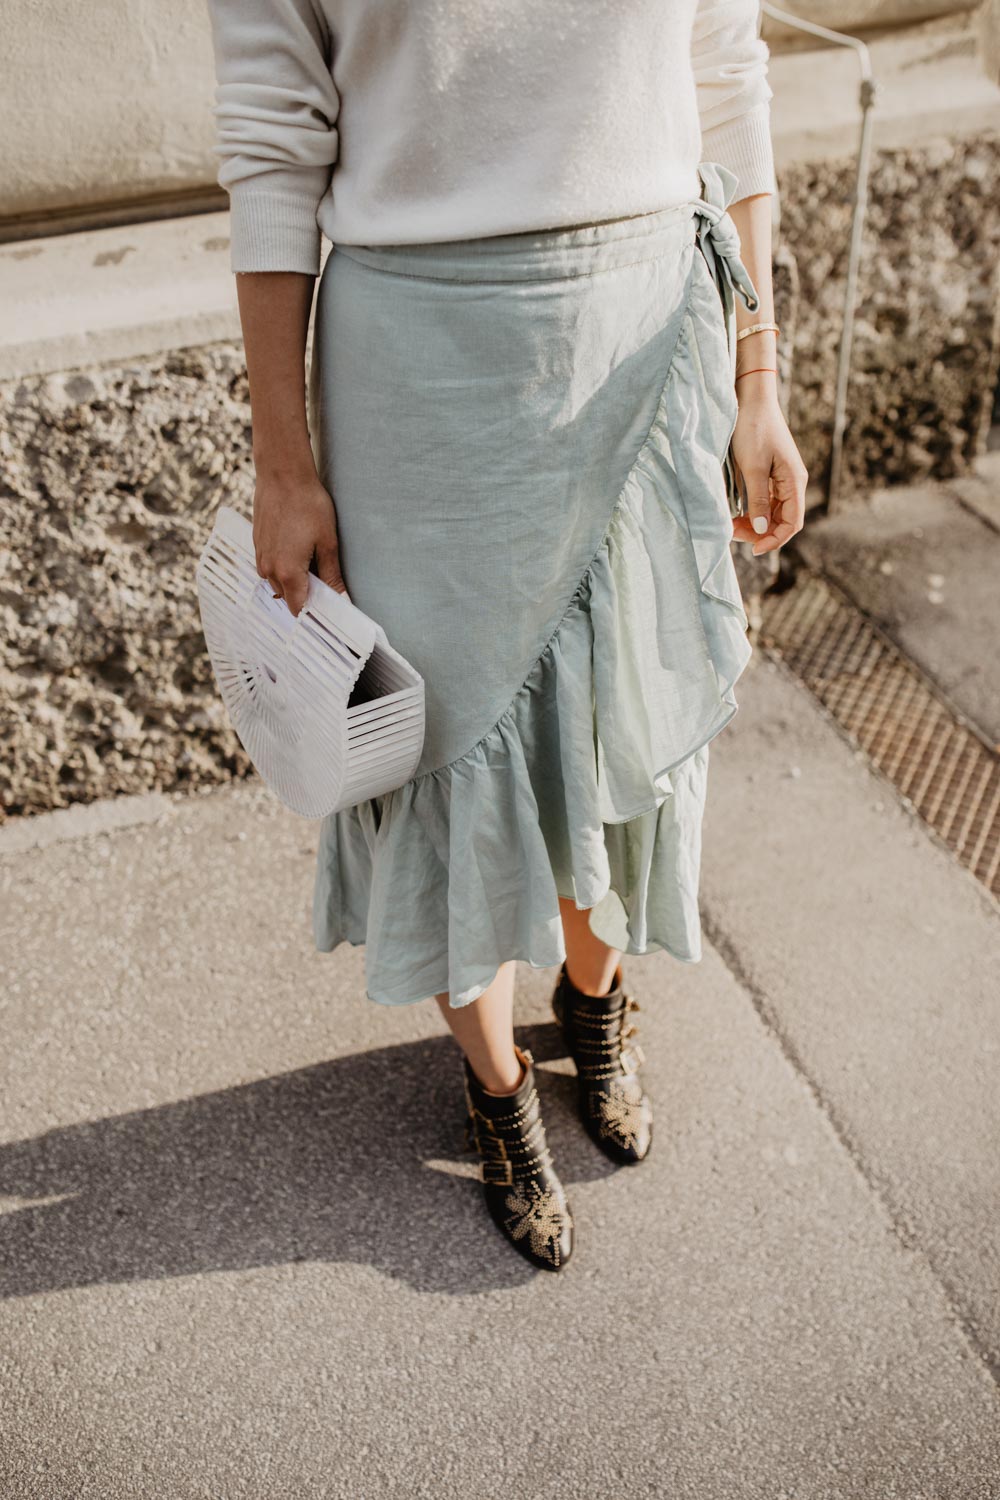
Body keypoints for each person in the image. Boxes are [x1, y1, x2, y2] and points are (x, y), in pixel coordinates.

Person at [205, 0, 807, 1273]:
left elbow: (724, 68)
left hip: (644, 338)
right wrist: (282, 461)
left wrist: (759, 378)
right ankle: (496, 1092)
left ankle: (593, 1007)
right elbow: (272, 140)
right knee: (441, 752)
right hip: (419, 365)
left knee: (619, 719)